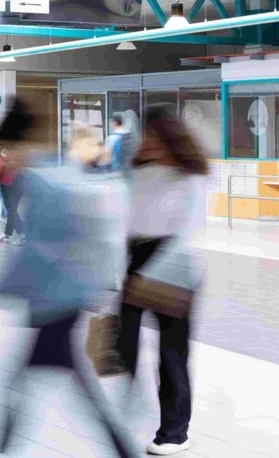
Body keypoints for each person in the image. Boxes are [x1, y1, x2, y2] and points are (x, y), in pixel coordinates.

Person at [0, 98, 134, 458]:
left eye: (8, 148)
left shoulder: (41, 181)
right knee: (68, 387)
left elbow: (37, 249)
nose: (6, 157)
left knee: (18, 384)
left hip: (56, 301)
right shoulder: (54, 172)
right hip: (65, 298)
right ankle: (121, 448)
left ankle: (1, 448)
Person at [117, 105, 206, 456]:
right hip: (135, 258)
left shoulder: (191, 176)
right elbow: (125, 221)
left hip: (173, 264)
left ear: (169, 138)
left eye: (153, 137)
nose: (147, 143)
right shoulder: (139, 172)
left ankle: (174, 432)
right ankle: (123, 413)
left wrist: (146, 276)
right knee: (122, 346)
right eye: (145, 136)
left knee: (171, 354)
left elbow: (190, 230)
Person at [0, 143, 24, 245]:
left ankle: (22, 235)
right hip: (12, 184)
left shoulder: (4, 158)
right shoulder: (7, 153)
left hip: (10, 185)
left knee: (11, 211)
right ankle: (7, 234)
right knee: (11, 211)